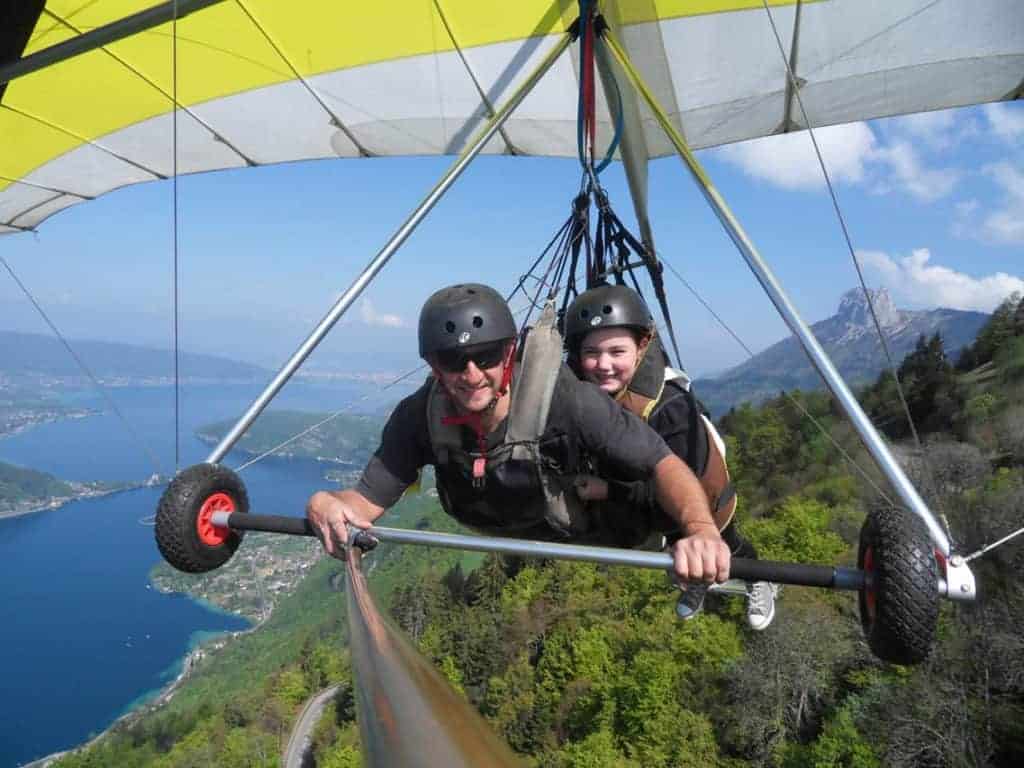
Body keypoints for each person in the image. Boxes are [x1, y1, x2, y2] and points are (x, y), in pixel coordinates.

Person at [306, 283, 730, 588]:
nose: (471, 375)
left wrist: (699, 529)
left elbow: (663, 462)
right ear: (433, 366)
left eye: (486, 356)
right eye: (453, 361)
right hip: (510, 525)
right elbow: (366, 500)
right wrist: (325, 503)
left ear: (509, 353)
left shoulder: (572, 403)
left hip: (584, 529)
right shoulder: (420, 415)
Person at [563, 283, 777, 630]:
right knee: (679, 545)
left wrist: (610, 490)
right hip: (640, 492)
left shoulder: (670, 408)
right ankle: (699, 580)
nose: (603, 365)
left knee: (725, 541)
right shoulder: (590, 391)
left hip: (700, 490)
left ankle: (760, 579)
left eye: (617, 352)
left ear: (642, 346)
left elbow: (682, 484)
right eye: (592, 353)